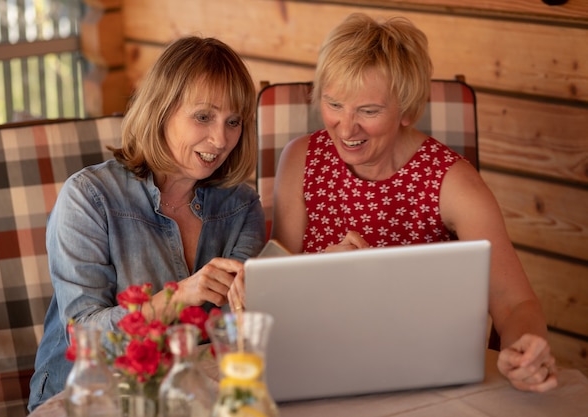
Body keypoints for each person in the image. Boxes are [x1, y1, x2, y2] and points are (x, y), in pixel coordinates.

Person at [271, 13, 557, 393]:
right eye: (333, 104)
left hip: (426, 377)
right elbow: (272, 289)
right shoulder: (300, 158)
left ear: (407, 110)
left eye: (368, 111)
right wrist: (321, 267)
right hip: (316, 365)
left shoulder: (454, 183)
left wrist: (524, 349)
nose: (346, 127)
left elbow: (515, 303)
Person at [28, 36, 266, 411]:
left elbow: (243, 327)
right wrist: (179, 295)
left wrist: (296, 273)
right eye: (203, 116)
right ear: (161, 110)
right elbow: (86, 337)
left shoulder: (242, 205)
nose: (221, 139)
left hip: (196, 394)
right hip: (87, 398)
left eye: (233, 121)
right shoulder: (89, 198)